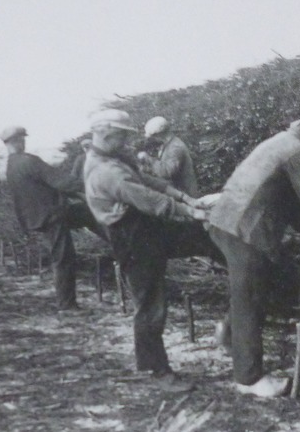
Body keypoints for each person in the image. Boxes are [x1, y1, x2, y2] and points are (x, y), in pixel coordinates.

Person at [205, 114, 300, 398]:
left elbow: (289, 201)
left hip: (222, 221)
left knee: (254, 288)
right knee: (249, 296)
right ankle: (249, 379)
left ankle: (230, 332)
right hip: (245, 230)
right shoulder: (296, 151)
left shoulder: (275, 144)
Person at [82, 109, 208, 392]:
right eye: (123, 136)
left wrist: (183, 195)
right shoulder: (106, 171)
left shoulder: (112, 157)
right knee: (151, 304)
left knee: (205, 240)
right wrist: (190, 211)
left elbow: (147, 181)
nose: (127, 142)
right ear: (106, 133)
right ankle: (156, 369)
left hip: (144, 228)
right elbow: (149, 199)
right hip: (131, 235)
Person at [1, 124, 96, 309]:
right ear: (18, 141)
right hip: (52, 216)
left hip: (36, 217)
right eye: (22, 139)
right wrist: (94, 187)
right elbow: (62, 182)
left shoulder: (11, 165)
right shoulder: (29, 161)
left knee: (86, 216)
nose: (24, 142)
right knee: (63, 258)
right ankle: (67, 305)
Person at [139, 116, 201, 197]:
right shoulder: (168, 145)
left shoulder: (175, 148)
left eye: (153, 136)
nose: (153, 139)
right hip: (180, 193)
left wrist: (148, 159)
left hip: (185, 194)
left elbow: (167, 172)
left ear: (159, 134)